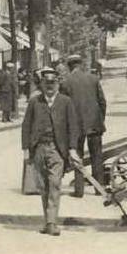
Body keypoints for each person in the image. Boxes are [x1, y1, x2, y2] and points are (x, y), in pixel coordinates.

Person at [21, 66, 81, 236]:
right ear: (42, 84)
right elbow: (26, 126)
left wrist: (72, 149)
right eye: (46, 83)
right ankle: (48, 220)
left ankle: (52, 223)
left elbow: (73, 127)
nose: (49, 86)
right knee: (43, 186)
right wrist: (26, 149)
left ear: (57, 84)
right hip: (38, 149)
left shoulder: (65, 101)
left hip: (57, 149)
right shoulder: (35, 102)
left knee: (55, 184)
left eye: (52, 83)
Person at [60, 53, 107, 197]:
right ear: (81, 64)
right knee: (97, 156)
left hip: (76, 126)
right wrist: (100, 119)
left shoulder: (66, 82)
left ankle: (79, 190)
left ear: (69, 66)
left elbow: (63, 106)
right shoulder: (93, 79)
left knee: (77, 156)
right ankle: (99, 189)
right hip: (94, 124)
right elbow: (102, 102)